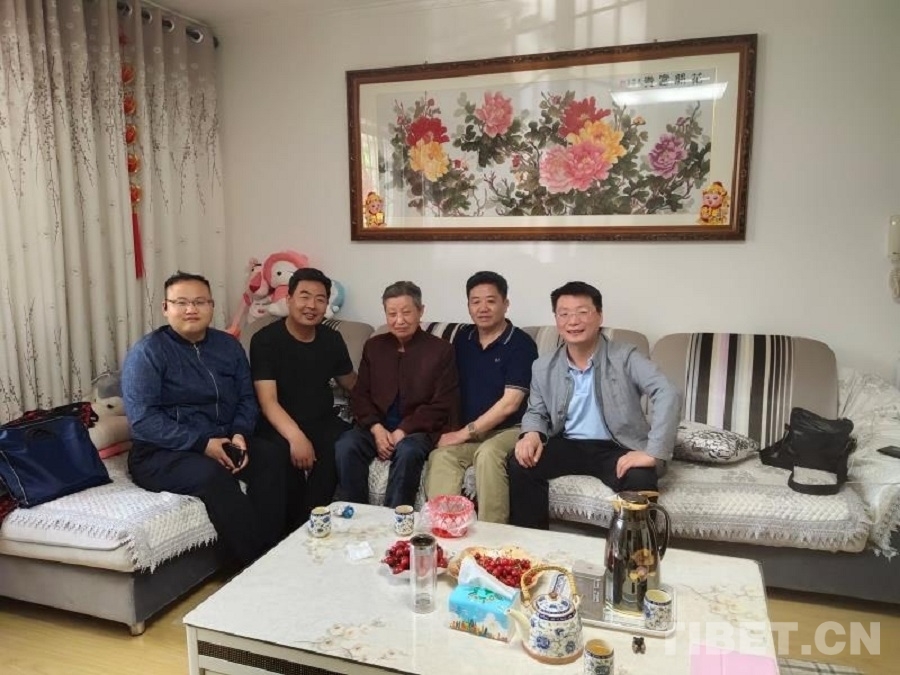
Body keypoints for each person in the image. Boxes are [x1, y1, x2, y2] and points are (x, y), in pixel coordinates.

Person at [122, 272, 291, 566]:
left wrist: (239, 434)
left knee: (272, 457)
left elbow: (246, 398)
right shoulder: (148, 352)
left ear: (211, 306)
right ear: (165, 308)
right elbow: (143, 420)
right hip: (163, 453)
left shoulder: (228, 346)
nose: (191, 309)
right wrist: (202, 444)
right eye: (181, 302)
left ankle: (273, 548)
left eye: (200, 302)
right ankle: (255, 564)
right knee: (213, 476)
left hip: (223, 439)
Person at [508, 281, 681, 530]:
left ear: (599, 316)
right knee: (520, 463)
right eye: (564, 314)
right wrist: (532, 433)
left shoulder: (625, 356)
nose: (573, 321)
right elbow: (536, 410)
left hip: (618, 447)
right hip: (569, 444)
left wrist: (653, 452)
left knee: (640, 479)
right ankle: (533, 545)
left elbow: (667, 392)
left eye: (582, 312)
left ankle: (633, 553)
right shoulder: (544, 366)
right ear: (556, 320)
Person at [424, 271, 538, 523]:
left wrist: (463, 433)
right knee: (441, 456)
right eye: (475, 301)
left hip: (511, 430)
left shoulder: (521, 344)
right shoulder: (463, 339)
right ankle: (443, 529)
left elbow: (510, 404)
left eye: (491, 301)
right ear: (468, 306)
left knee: (487, 455)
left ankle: (492, 535)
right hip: (473, 432)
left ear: (506, 304)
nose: (483, 308)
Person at [335, 281, 458, 508]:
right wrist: (376, 428)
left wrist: (403, 430)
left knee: (408, 451)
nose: (399, 320)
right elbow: (360, 393)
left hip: (417, 431)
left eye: (406, 312)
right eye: (392, 314)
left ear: (421, 311)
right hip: (376, 427)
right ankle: (355, 515)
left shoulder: (441, 350)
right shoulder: (374, 346)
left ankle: (397, 519)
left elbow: (442, 404)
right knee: (346, 445)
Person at [250, 268, 357, 526]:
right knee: (280, 455)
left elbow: (351, 382)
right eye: (304, 296)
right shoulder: (265, 340)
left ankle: (313, 520)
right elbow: (268, 401)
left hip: (322, 420)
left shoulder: (331, 339)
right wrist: (296, 437)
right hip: (278, 423)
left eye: (320, 299)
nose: (311, 305)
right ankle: (288, 531)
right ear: (289, 299)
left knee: (342, 445)